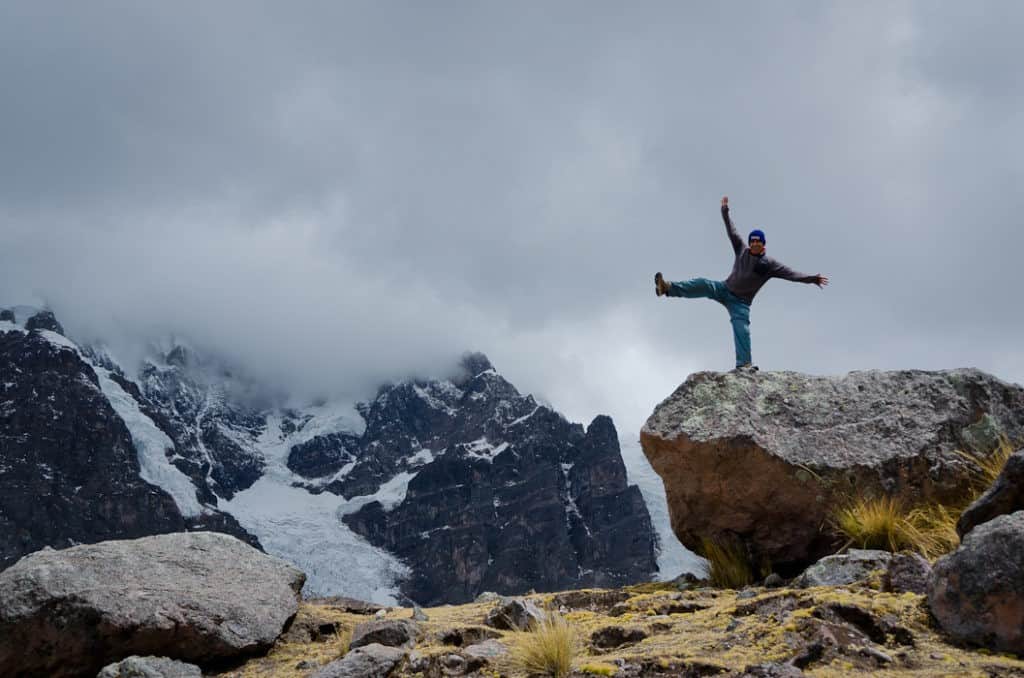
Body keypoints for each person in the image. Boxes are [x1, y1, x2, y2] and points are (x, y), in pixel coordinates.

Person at [654, 196, 828, 371]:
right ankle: (667, 288)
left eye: (757, 242)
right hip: (724, 288)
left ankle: (744, 365)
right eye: (752, 241)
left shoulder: (770, 265)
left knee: (742, 330)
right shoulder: (741, 249)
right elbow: (732, 231)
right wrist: (725, 212)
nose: (753, 244)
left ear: (763, 245)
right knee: (702, 284)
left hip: (741, 303)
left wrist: (811, 279)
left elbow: (791, 274)